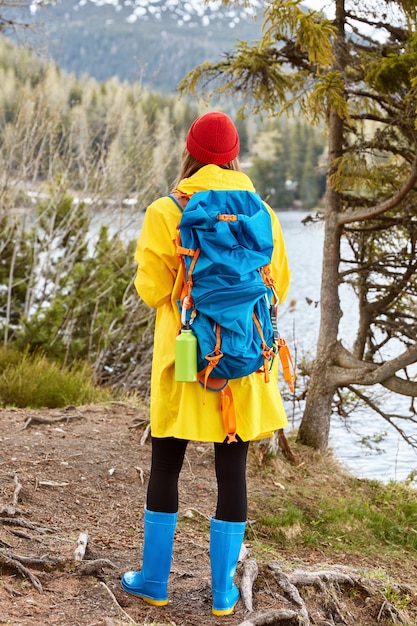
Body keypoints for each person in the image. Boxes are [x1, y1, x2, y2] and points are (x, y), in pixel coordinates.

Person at [120, 111, 291, 616]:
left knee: (166, 463)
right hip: (238, 362)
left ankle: (153, 582)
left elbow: (152, 291)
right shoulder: (262, 212)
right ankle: (222, 593)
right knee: (231, 468)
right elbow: (277, 285)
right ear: (235, 155)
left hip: (186, 360)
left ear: (190, 154)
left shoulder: (165, 210)